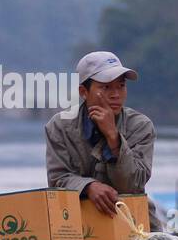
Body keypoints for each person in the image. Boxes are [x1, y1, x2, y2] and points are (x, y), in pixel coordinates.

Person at [44, 50, 163, 230]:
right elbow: (57, 179)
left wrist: (113, 138)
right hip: (80, 228)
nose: (116, 94)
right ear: (84, 91)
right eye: (106, 87)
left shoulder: (140, 126)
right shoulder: (60, 126)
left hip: (135, 225)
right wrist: (89, 187)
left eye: (121, 86)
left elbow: (134, 185)